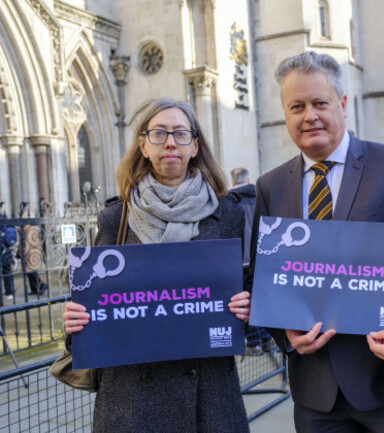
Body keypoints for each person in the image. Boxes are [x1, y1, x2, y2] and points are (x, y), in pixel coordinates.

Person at [251, 51, 384, 433]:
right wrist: (286, 337)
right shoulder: (270, 187)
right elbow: (264, 279)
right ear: (285, 114)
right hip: (314, 397)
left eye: (319, 103)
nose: (309, 115)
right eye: (297, 106)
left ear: (342, 104)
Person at [62, 98, 252, 433]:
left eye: (180, 134)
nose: (169, 142)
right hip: (132, 396)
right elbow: (90, 298)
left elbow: (250, 292)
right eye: (158, 133)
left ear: (195, 146)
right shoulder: (115, 218)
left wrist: (249, 307)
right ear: (143, 146)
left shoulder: (228, 215)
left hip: (208, 395)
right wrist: (75, 321)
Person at [229, 167, 273, 354]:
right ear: (248, 180)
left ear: (233, 182)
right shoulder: (260, 198)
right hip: (260, 258)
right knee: (260, 300)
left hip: (239, 260)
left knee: (246, 303)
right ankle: (267, 339)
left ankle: (254, 343)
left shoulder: (229, 201)